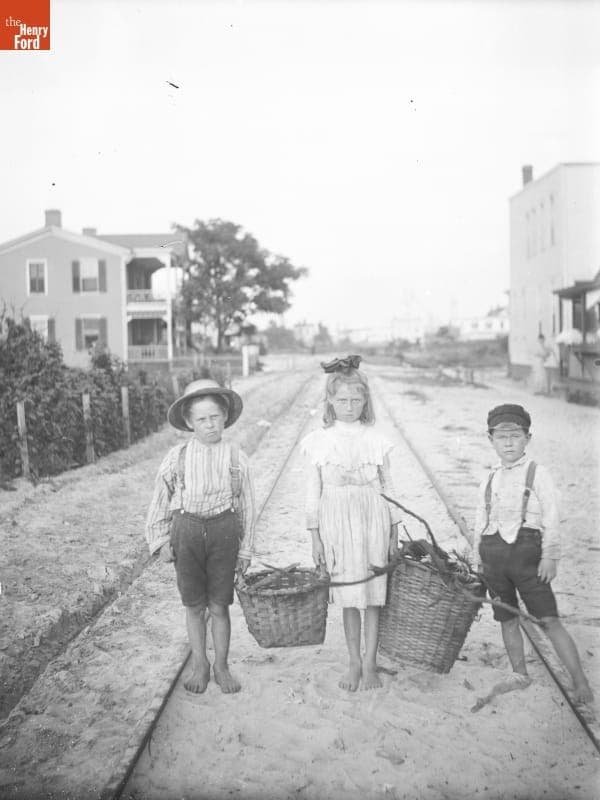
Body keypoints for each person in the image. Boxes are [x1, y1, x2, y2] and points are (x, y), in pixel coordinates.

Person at [472, 403, 593, 704]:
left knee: (548, 619)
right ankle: (519, 672)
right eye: (501, 437)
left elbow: (552, 516)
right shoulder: (489, 478)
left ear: (528, 438)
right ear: (491, 440)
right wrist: (477, 560)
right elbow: (479, 522)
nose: (509, 442)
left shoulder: (538, 474)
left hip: (528, 556)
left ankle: (580, 682)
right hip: (493, 557)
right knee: (507, 618)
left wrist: (550, 555)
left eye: (516, 435)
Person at [145, 378, 255, 695]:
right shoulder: (177, 457)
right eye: (202, 420)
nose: (209, 425)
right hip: (187, 533)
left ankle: (221, 664)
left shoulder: (236, 457)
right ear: (190, 423)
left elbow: (248, 506)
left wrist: (246, 550)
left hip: (224, 532)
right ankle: (200, 663)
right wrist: (160, 540)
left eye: (214, 418)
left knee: (219, 606)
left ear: (225, 418)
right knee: (194, 605)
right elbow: (159, 499)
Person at [301, 355, 401, 692]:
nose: (349, 406)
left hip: (372, 516)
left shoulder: (375, 438)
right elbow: (312, 492)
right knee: (347, 594)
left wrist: (393, 531)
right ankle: (353, 662)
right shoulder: (319, 441)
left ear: (365, 401)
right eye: (342, 400)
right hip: (336, 521)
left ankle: (371, 662)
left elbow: (389, 488)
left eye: (356, 400)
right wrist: (314, 537)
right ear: (329, 401)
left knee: (372, 594)